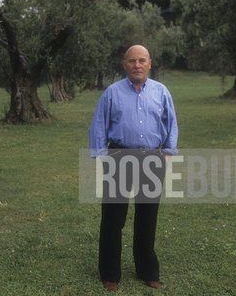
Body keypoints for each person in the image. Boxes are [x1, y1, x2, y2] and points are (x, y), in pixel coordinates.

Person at [89, 45, 178, 292]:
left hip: (152, 159)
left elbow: (171, 123)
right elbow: (98, 124)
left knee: (147, 218)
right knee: (112, 219)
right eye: (131, 61)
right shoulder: (111, 93)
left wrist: (169, 152)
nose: (136, 65)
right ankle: (110, 274)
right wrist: (100, 156)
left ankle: (148, 272)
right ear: (124, 65)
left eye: (141, 60)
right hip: (118, 157)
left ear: (150, 64)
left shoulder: (161, 92)